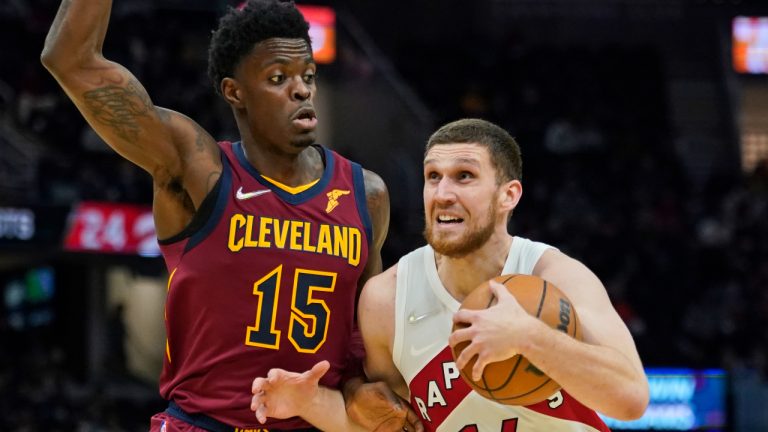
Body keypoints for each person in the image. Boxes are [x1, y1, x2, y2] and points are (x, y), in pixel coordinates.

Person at [41, 0, 418, 430]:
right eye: (278, 78)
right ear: (234, 92)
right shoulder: (198, 170)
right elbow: (69, 59)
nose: (302, 90)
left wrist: (357, 392)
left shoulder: (365, 194)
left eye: (307, 76)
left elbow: (361, 342)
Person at [251, 118, 649, 431]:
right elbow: (391, 424)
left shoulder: (555, 276)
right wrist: (310, 403)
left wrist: (529, 337)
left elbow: (631, 397)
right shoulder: (386, 298)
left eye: (464, 176)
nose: (442, 193)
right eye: (433, 177)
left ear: (508, 195)